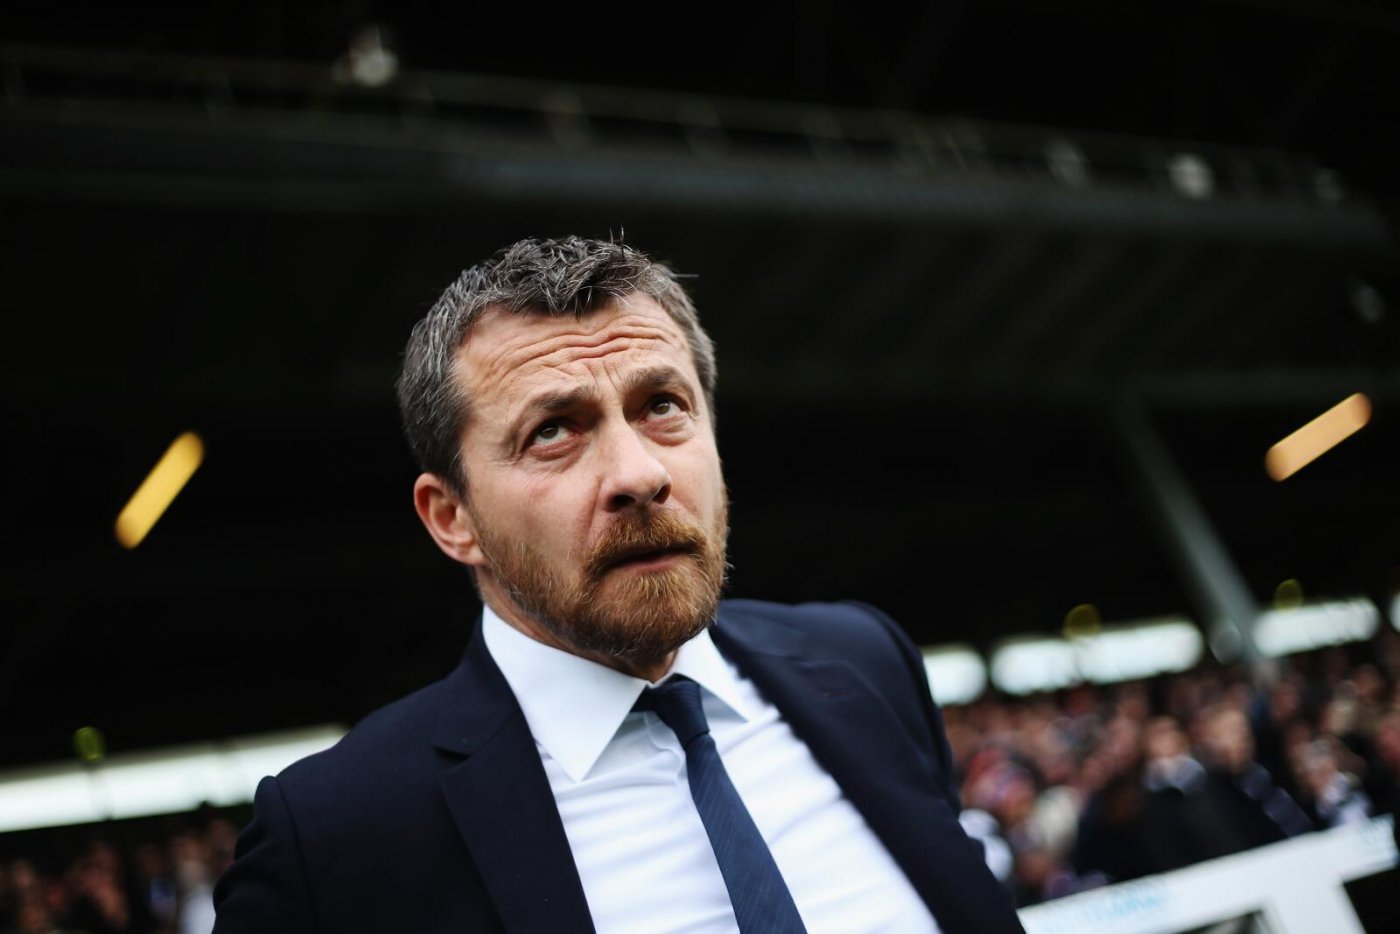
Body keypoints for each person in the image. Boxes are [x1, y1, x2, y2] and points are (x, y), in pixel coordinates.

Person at [211, 236, 1023, 933]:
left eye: (663, 405)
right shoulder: (333, 839)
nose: (638, 474)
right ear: (452, 517)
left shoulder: (862, 660)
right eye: (552, 431)